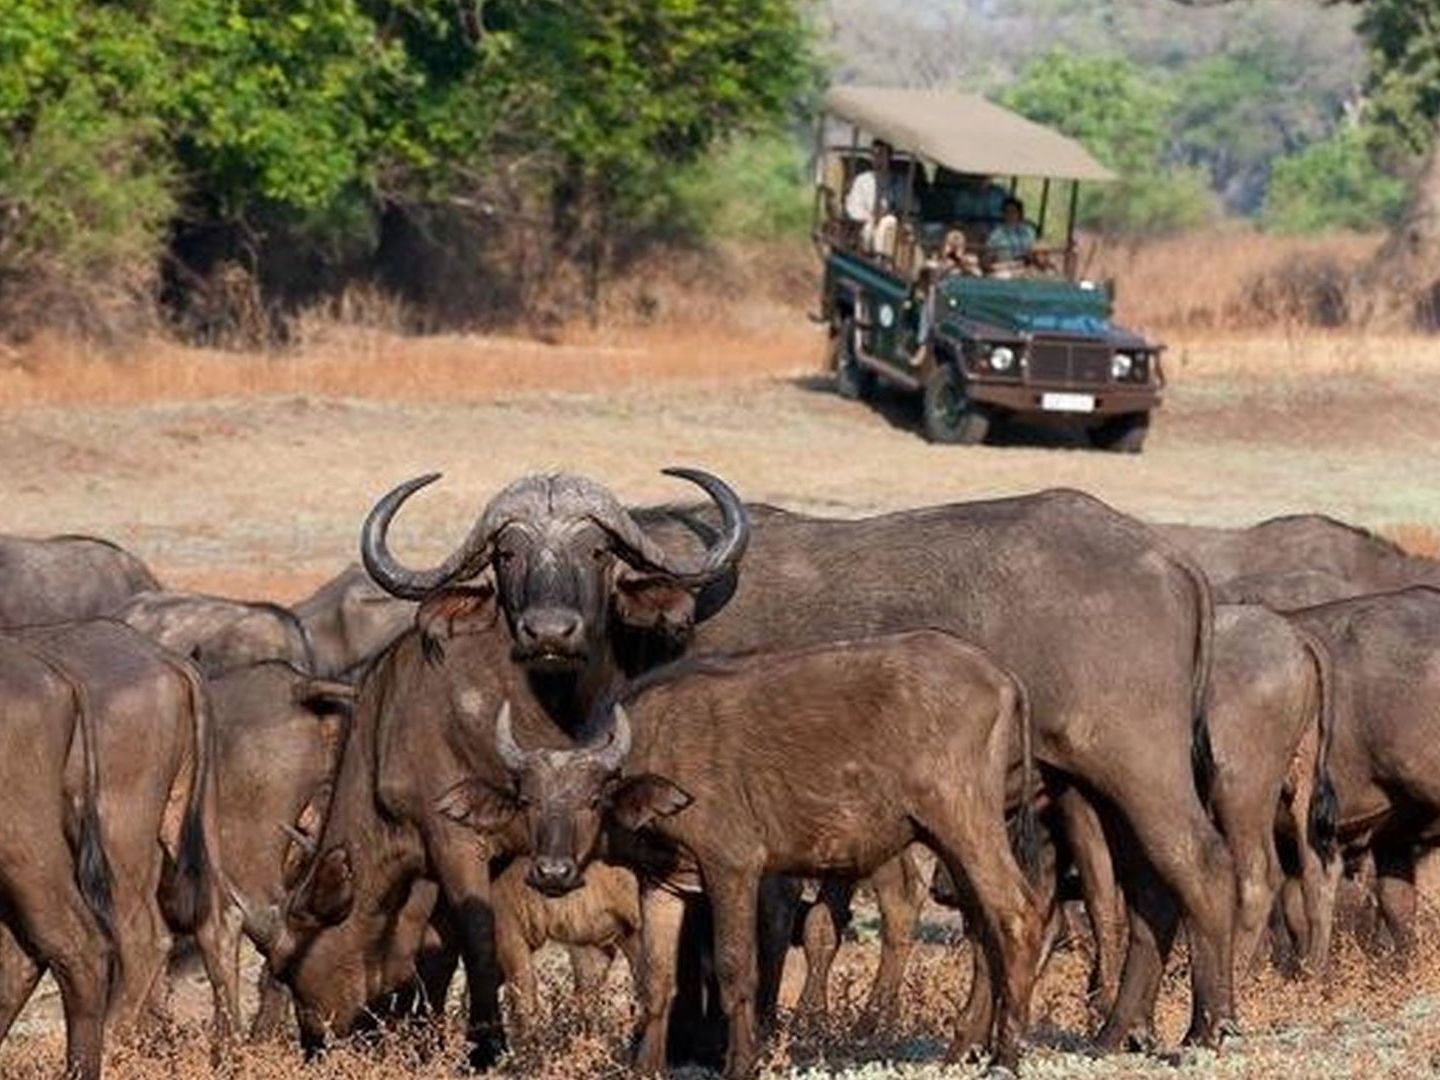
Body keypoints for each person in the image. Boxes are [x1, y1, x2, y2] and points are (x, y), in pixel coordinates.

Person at [845, 140, 903, 255]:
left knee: (888, 224)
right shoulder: (862, 180)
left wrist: (893, 212)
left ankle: (884, 258)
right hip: (867, 223)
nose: (877, 159)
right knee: (870, 228)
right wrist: (869, 217)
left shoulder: (898, 182)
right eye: (874, 155)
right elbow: (853, 207)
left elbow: (910, 205)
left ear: (889, 157)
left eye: (881, 155)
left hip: (892, 226)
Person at [986, 197, 1038, 264]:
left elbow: (1037, 249)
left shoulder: (1029, 231)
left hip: (1029, 267)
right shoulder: (996, 235)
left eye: (1014, 211)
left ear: (1020, 214)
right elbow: (989, 256)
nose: (1010, 215)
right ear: (1003, 214)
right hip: (1007, 268)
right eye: (1007, 212)